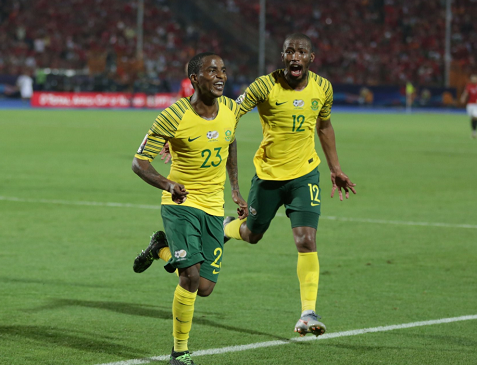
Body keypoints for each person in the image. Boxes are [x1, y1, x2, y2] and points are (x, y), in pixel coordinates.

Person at [223, 33, 357, 337]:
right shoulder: (263, 86)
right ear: (283, 57)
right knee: (252, 234)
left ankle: (307, 313)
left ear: (311, 58)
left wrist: (335, 168)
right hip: (268, 176)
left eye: (301, 52)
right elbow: (230, 112)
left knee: (306, 240)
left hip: (305, 175)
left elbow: (324, 126)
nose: (295, 57)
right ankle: (226, 227)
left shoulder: (323, 88)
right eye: (289, 52)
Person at [131, 52, 247, 365]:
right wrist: (167, 184)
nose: (221, 76)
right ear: (195, 79)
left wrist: (235, 189)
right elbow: (139, 162)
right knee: (190, 278)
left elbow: (230, 142)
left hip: (213, 205)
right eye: (212, 71)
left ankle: (160, 248)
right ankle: (179, 352)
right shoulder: (173, 116)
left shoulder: (231, 110)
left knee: (205, 288)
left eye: (223, 69)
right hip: (180, 203)